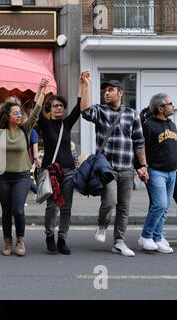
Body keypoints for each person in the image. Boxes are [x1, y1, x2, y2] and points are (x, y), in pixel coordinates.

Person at [82, 79, 149, 257]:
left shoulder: (132, 114)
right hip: (107, 168)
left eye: (111, 90)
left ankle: (119, 242)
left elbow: (139, 142)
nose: (107, 93)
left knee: (124, 207)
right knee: (110, 201)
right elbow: (86, 111)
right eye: (105, 91)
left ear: (120, 93)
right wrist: (86, 85)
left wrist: (142, 166)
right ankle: (102, 225)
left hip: (127, 167)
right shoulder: (101, 111)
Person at [0, 78, 48, 256]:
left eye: (20, 113)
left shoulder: (25, 129)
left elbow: (37, 110)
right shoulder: (0, 130)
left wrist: (41, 89)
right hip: (2, 176)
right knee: (6, 211)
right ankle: (7, 241)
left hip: (22, 176)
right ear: (8, 116)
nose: (20, 116)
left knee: (18, 210)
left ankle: (20, 240)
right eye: (16, 113)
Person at [37, 71, 91, 255]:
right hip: (51, 172)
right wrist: (42, 90)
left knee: (66, 208)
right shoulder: (45, 124)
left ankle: (62, 239)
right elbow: (37, 111)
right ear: (49, 109)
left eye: (61, 106)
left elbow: (78, 107)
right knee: (52, 207)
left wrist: (82, 84)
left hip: (68, 171)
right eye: (54, 106)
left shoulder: (66, 124)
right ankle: (49, 236)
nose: (58, 108)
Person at [138, 93, 176, 254]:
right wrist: (142, 167)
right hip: (156, 171)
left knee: (165, 207)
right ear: (160, 108)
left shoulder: (172, 124)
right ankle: (145, 236)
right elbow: (141, 147)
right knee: (159, 205)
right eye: (170, 103)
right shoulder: (148, 125)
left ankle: (157, 237)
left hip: (172, 172)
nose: (172, 106)